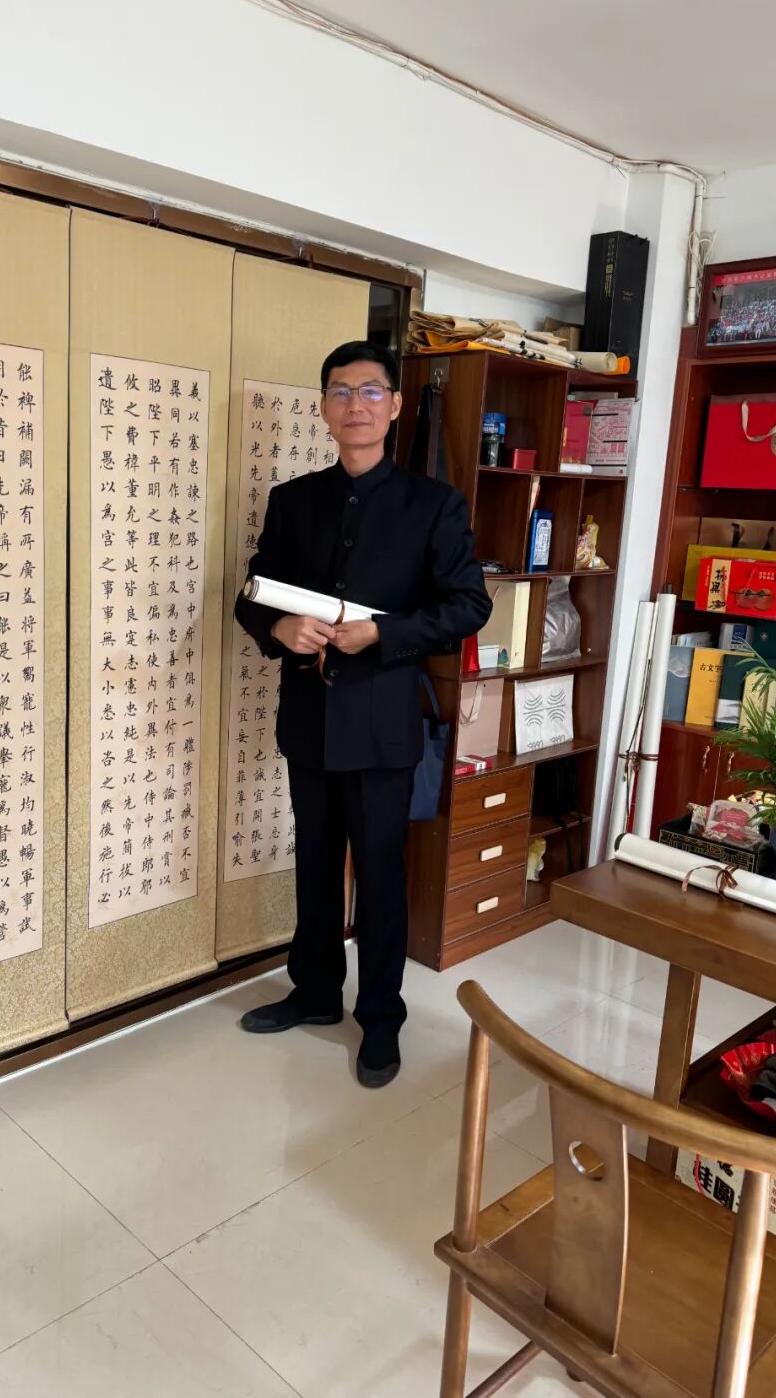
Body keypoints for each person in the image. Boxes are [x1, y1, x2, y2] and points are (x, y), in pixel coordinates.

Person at [234, 339, 491, 1087]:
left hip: (382, 726)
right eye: (341, 392)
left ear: (396, 404)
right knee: (315, 866)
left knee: (379, 877)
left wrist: (383, 633)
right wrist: (279, 629)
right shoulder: (293, 501)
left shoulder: (433, 505)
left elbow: (468, 605)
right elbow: (253, 594)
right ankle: (315, 992)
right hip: (309, 718)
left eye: (371, 391)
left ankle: (380, 1018)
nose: (356, 405)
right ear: (323, 407)